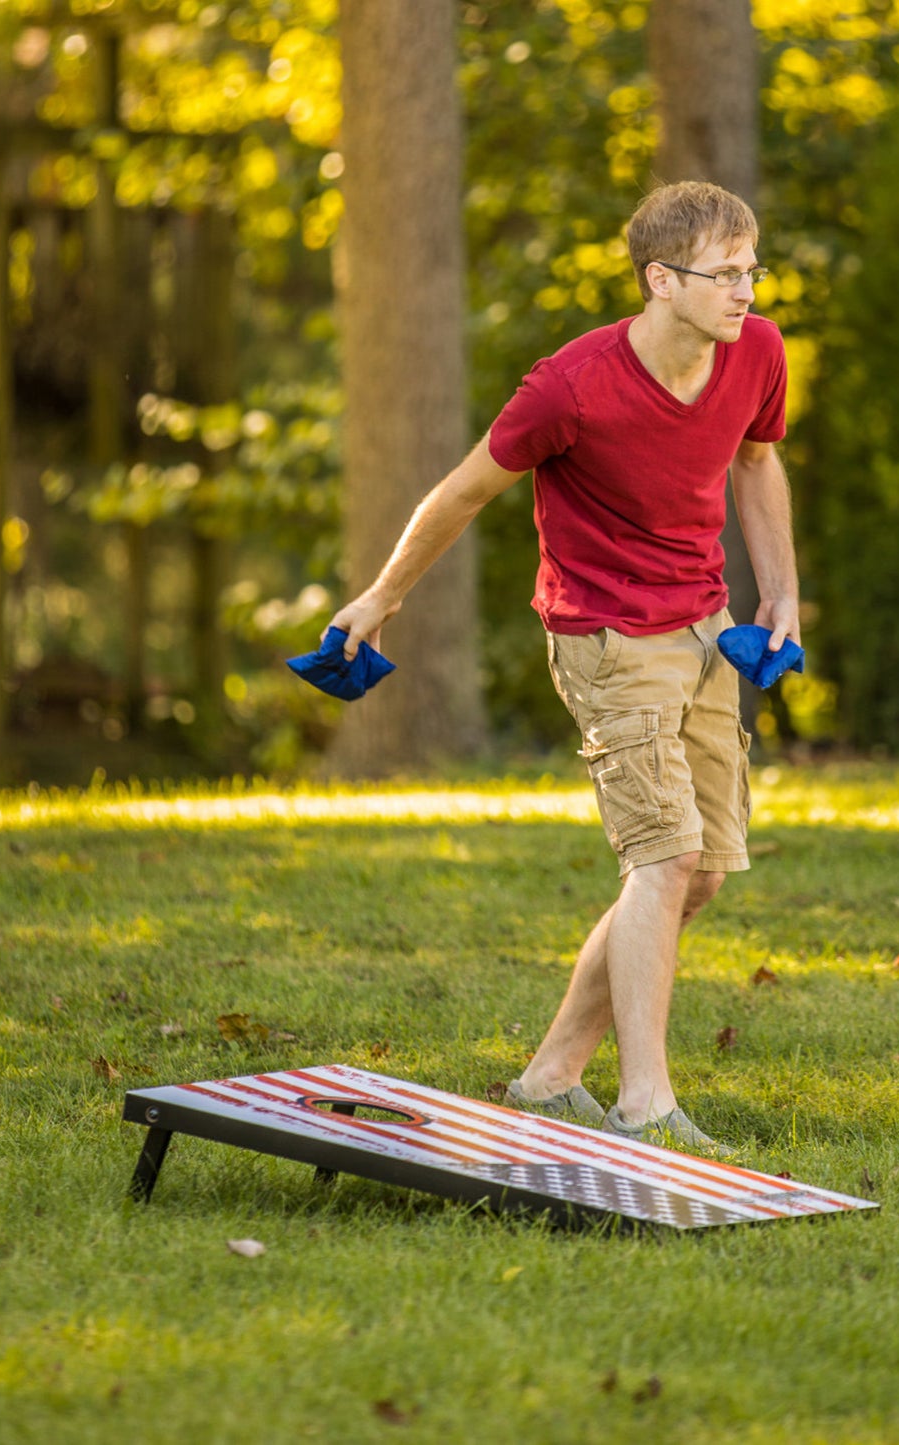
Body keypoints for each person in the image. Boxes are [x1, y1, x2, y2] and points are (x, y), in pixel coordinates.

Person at [328, 180, 799, 1155]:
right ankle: (644, 1105)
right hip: (602, 637)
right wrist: (379, 598)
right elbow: (461, 492)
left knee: (699, 872)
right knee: (659, 860)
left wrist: (780, 593)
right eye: (723, 273)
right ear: (659, 280)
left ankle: (548, 1076)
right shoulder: (570, 386)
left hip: (704, 629)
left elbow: (754, 462)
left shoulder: (754, 351)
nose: (744, 291)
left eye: (751, 269)